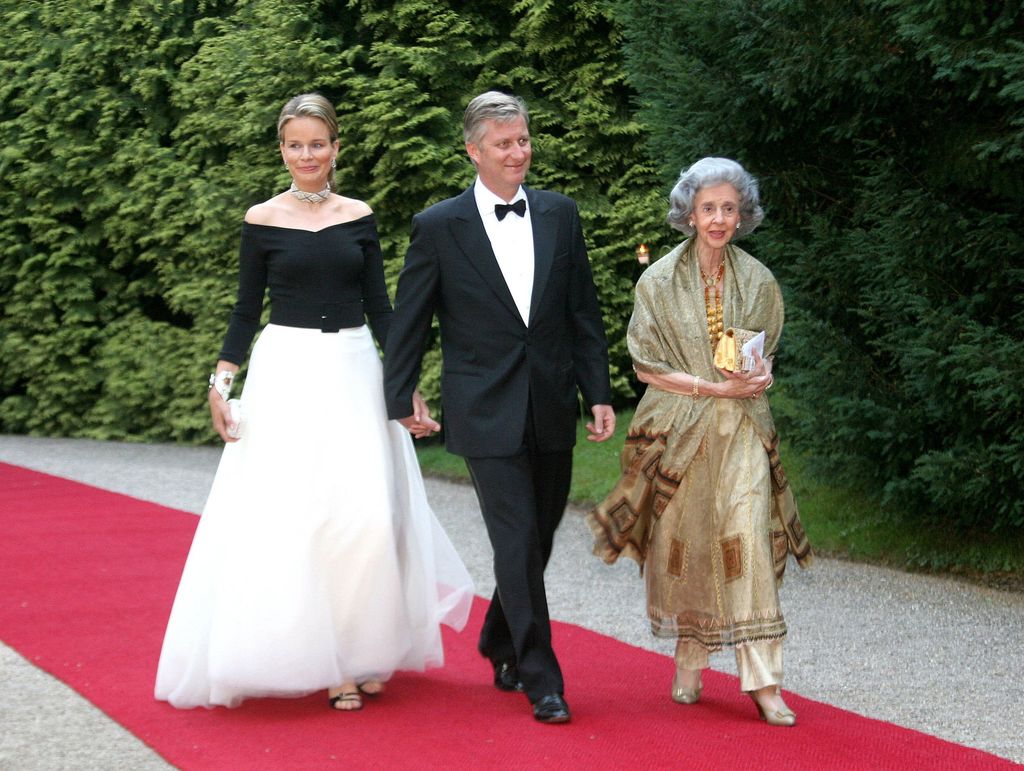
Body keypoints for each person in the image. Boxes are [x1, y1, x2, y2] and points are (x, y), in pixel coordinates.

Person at [154, 93, 473, 712]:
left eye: (318, 144)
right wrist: (220, 387)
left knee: (368, 517)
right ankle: (330, 666)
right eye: (296, 145)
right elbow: (246, 310)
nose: (308, 155)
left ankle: (365, 651)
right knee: (305, 517)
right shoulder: (262, 218)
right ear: (282, 150)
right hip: (288, 373)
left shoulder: (359, 214)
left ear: (335, 148)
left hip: (355, 367)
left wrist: (404, 380)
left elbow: (382, 307)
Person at [382, 91, 616, 724]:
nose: (519, 152)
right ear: (474, 151)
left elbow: (581, 311)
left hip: (549, 400)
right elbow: (411, 319)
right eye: (505, 143)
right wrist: (397, 393)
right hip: (482, 407)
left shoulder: (561, 214)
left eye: (524, 140)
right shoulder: (438, 226)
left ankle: (497, 638)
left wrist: (597, 391)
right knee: (514, 541)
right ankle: (542, 678)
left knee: (536, 537)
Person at [588, 158, 812, 726]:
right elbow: (644, 365)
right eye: (708, 207)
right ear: (689, 212)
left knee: (748, 542)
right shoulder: (657, 280)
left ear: (743, 216)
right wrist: (705, 386)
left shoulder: (759, 280)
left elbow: (764, 355)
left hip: (742, 430)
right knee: (686, 545)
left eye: (729, 208)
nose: (718, 219)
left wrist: (762, 377)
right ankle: (690, 657)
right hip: (679, 432)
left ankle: (764, 680)